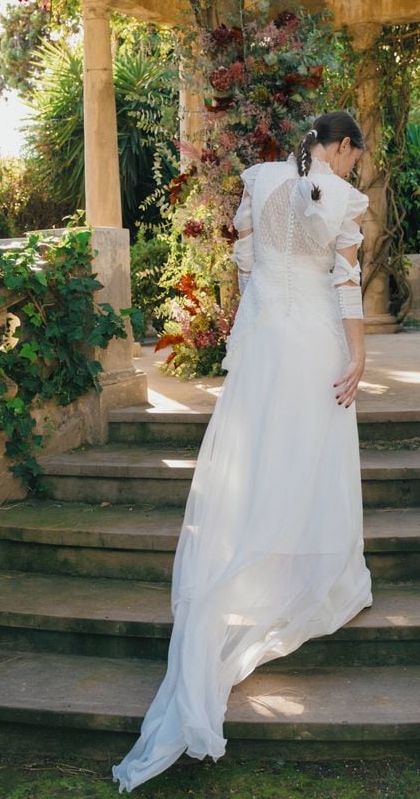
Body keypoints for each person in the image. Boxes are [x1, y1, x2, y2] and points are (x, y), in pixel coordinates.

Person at [112, 110, 373, 793]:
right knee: (312, 457)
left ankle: (258, 567)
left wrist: (247, 348)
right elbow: (344, 284)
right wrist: (360, 353)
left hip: (265, 347)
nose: (351, 169)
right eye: (352, 155)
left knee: (261, 458)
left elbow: (252, 272)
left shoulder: (257, 181)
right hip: (316, 341)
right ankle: (309, 576)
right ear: (338, 146)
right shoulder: (344, 199)